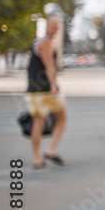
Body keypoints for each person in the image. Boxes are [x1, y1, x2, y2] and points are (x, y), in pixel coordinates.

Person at [25, 12, 68, 168]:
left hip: (33, 90)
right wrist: (53, 84)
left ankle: (37, 158)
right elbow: (49, 65)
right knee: (62, 119)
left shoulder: (38, 42)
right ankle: (50, 150)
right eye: (53, 26)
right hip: (45, 91)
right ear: (47, 26)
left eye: (57, 26)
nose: (55, 29)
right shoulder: (47, 43)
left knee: (38, 122)